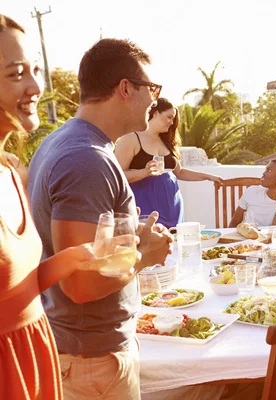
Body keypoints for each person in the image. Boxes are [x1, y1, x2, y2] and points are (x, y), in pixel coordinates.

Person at [28, 38, 172, 399]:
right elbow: (79, 286)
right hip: (91, 363)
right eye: (151, 87)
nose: (155, 98)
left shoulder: (63, 142)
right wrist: (145, 255)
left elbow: (79, 250)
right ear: (126, 88)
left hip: (81, 354)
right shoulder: (87, 158)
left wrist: (131, 237)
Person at [0, 15, 127, 399]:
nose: (36, 86)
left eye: (35, 69)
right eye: (15, 73)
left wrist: (76, 257)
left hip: (37, 366)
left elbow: (15, 288)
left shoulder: (9, 172)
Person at [115, 97, 224, 227]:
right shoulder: (130, 139)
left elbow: (180, 172)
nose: (172, 122)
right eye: (169, 117)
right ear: (155, 114)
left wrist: (208, 176)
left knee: (174, 243)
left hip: (173, 206)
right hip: (145, 205)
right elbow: (118, 176)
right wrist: (145, 172)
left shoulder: (167, 142)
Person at [228, 159, 276, 227]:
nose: (264, 173)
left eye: (269, 170)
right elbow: (234, 223)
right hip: (246, 237)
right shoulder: (251, 192)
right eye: (265, 170)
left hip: (271, 237)